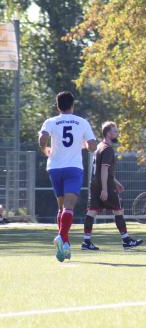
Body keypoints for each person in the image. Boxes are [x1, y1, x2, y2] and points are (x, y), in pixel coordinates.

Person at [39, 91, 97, 262]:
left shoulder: (51, 121)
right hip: (73, 168)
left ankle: (65, 245)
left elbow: (42, 138)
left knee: (61, 207)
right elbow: (93, 146)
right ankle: (61, 236)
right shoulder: (82, 122)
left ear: (58, 106)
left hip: (55, 168)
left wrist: (45, 149)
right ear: (73, 105)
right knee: (69, 207)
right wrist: (84, 144)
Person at [81, 121, 143, 251]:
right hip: (105, 186)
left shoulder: (99, 146)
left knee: (91, 212)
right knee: (118, 211)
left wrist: (116, 182)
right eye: (115, 131)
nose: (117, 134)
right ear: (108, 133)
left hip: (95, 184)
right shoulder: (108, 149)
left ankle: (86, 242)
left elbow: (101, 170)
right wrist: (105, 189)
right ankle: (126, 240)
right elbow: (104, 170)